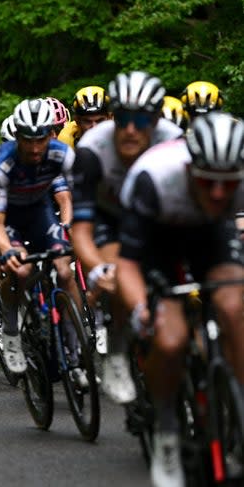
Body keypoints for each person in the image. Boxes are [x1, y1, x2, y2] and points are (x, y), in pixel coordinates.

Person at [116, 111, 244, 487]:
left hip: (212, 236)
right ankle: (168, 429)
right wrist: (142, 311)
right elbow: (126, 266)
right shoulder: (152, 177)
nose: (219, 193)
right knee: (170, 340)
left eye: (228, 183)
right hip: (160, 244)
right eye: (208, 181)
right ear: (190, 169)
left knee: (233, 307)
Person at [70, 71, 183, 404]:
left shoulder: (173, 139)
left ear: (156, 118)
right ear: (112, 118)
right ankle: (118, 350)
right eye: (122, 118)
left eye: (142, 118)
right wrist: (96, 271)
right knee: (118, 275)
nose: (131, 128)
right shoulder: (92, 147)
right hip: (111, 217)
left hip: (157, 214)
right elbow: (81, 229)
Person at [0, 98, 76, 375]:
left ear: (51, 134)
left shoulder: (62, 154)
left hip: (39, 211)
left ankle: (74, 343)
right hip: (6, 217)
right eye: (27, 140)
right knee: (21, 270)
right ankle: (10, 332)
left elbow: (78, 201)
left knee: (65, 270)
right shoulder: (0, 164)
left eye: (41, 139)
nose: (35, 148)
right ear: (17, 136)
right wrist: (6, 250)